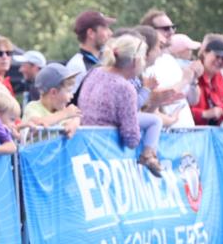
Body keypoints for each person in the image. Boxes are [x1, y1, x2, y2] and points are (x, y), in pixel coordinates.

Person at [78, 34, 164, 177]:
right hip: (105, 150)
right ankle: (148, 155)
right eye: (143, 58)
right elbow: (131, 139)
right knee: (155, 120)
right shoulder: (124, 87)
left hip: (85, 140)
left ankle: (149, 155)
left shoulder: (95, 72)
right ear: (135, 61)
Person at [23, 63, 82, 138]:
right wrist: (65, 114)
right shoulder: (33, 107)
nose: (72, 96)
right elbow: (36, 124)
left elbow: (77, 116)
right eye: (68, 91)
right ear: (53, 92)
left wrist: (74, 122)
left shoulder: (61, 110)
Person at [66, 10, 115, 93]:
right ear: (91, 33)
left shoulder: (104, 60)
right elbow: (68, 102)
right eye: (105, 28)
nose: (110, 33)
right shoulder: (77, 66)